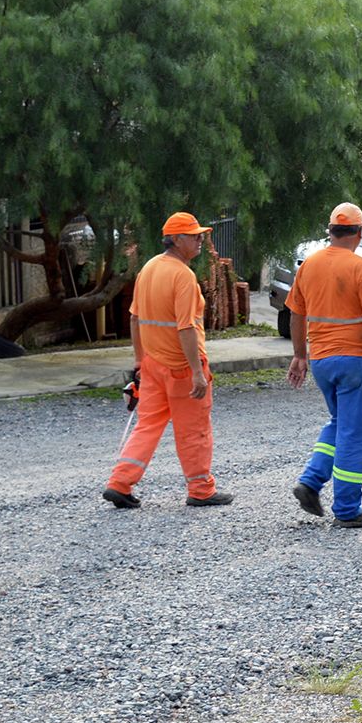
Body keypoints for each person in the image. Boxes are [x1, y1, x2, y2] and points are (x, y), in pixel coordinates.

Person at [285, 202, 362, 528]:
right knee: (357, 434)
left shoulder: (309, 265)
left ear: (331, 231)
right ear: (358, 232)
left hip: (323, 361)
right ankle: (347, 509)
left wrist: (300, 355)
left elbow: (296, 313)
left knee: (340, 424)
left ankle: (311, 482)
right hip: (357, 361)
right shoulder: (361, 268)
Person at [103, 212, 232, 509]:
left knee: (147, 425)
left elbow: (135, 318)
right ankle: (201, 490)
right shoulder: (182, 276)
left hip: (152, 365)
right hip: (182, 368)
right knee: (194, 429)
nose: (201, 240)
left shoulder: (149, 268)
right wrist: (197, 373)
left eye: (201, 234)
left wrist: (139, 360)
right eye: (194, 235)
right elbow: (185, 327)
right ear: (176, 239)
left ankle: (119, 483)